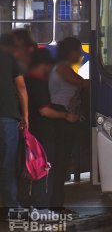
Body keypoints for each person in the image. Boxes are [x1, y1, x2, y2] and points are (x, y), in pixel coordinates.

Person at [24, 48, 79, 210]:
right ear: (45, 64)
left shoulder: (26, 80)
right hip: (43, 134)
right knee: (44, 172)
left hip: (33, 132)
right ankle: (42, 207)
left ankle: (35, 204)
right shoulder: (39, 83)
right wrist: (65, 116)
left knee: (33, 171)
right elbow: (44, 110)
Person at [49, 37, 88, 211]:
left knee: (62, 161)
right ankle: (56, 204)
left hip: (65, 117)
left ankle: (57, 202)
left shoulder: (63, 67)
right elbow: (83, 83)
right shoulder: (62, 68)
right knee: (60, 161)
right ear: (70, 52)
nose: (80, 54)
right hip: (61, 118)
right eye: (78, 50)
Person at [0, 34, 29, 218]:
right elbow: (21, 88)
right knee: (7, 163)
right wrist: (25, 115)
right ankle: (10, 206)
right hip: (7, 117)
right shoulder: (10, 59)